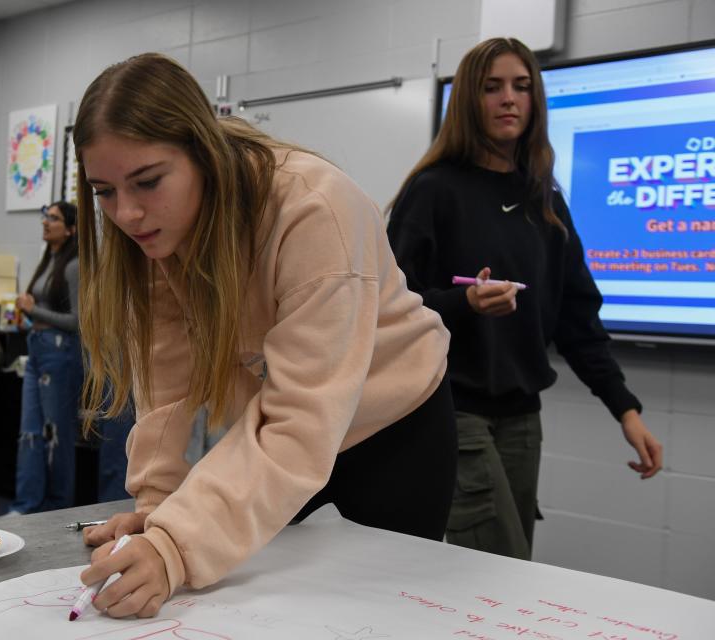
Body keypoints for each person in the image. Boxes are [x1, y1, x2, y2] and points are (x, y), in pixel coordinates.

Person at [72, 52, 457, 619]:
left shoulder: (314, 209)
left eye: (148, 181)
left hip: (392, 433)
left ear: (202, 153)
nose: (127, 214)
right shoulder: (159, 232)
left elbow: (302, 419)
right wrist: (157, 511)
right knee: (268, 613)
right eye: (104, 191)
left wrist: (175, 547)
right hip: (286, 433)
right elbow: (168, 384)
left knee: (375, 618)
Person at [386, 37, 663, 562]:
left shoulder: (546, 200)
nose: (509, 99)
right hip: (452, 410)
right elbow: (391, 308)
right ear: (470, 100)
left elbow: (578, 322)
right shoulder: (434, 190)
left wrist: (626, 410)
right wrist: (464, 304)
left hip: (522, 418)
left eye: (521, 86)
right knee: (495, 575)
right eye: (492, 88)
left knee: (512, 569)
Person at [8, 201, 83, 514]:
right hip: (37, 346)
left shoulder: (75, 265)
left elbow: (78, 322)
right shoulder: (47, 261)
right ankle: (26, 504)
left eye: (53, 218)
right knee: (30, 431)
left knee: (57, 434)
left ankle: (58, 506)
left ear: (70, 229)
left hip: (61, 352)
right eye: (44, 217)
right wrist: (26, 319)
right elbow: (42, 314)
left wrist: (32, 309)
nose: (45, 222)